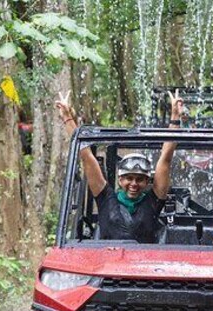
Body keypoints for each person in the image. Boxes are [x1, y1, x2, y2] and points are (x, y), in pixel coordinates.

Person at [55, 90, 184, 243]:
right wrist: (67, 118)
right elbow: (86, 156)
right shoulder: (106, 199)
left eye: (140, 179)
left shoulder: (152, 202)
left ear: (147, 181)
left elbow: (166, 159)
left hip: (144, 263)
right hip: (108, 262)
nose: (134, 184)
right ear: (120, 180)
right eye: (129, 178)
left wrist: (175, 118)